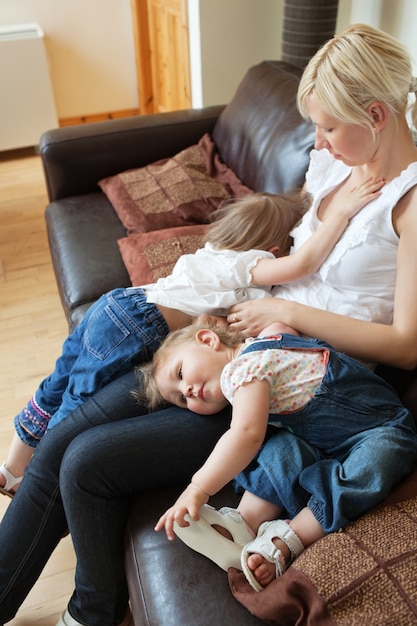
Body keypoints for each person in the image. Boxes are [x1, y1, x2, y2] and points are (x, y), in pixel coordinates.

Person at [0, 22, 417, 626]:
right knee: (65, 435)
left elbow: (405, 346)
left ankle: (93, 608)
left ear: (376, 115)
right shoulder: (337, 165)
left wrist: (287, 311)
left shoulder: (411, 202)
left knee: (84, 459)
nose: (318, 143)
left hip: (294, 387)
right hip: (241, 341)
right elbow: (300, 241)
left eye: (327, 127)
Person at [3, 184, 380, 499]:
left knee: (58, 383)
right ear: (273, 249)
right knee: (78, 405)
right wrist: (339, 215)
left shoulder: (210, 254)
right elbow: (303, 266)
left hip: (117, 304)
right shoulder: (247, 264)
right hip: (140, 323)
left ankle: (13, 465)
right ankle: (39, 478)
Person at [141, 321, 417, 591]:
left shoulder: (243, 369)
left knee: (375, 462)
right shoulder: (268, 340)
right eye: (181, 400)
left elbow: (246, 434)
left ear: (209, 340)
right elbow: (283, 329)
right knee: (281, 448)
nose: (187, 391)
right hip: (323, 442)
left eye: (180, 374)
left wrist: (197, 489)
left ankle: (289, 537)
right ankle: (243, 523)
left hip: (382, 428)